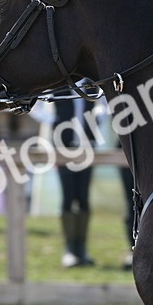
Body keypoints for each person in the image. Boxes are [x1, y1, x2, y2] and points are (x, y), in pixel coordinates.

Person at [53, 97, 96, 268]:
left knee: (83, 197)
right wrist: (53, 120)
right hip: (64, 147)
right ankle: (70, 250)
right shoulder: (59, 88)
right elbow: (39, 108)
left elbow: (104, 109)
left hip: (88, 149)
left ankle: (82, 249)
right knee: (68, 197)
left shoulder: (92, 86)